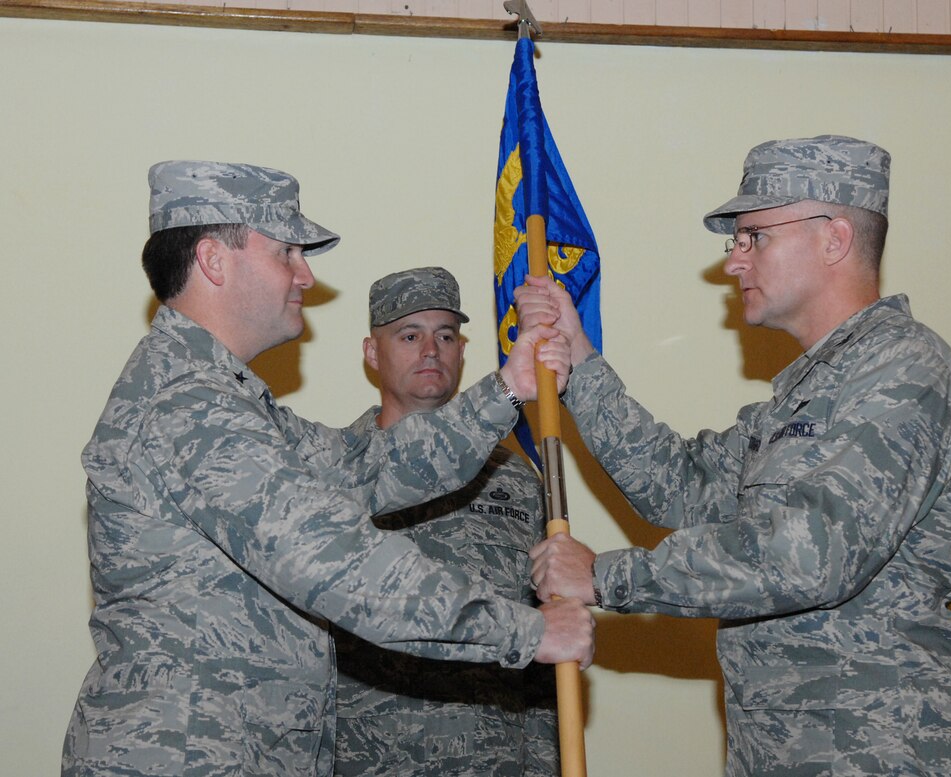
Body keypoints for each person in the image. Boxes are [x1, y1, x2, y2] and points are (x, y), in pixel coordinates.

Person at [63, 161, 593, 777]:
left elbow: (365, 467)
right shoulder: (187, 405)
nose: (305, 276)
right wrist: (527, 633)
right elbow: (336, 562)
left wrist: (505, 388)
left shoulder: (227, 398)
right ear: (214, 260)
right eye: (287, 252)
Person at [519, 136, 951, 776]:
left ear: (833, 239)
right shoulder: (804, 395)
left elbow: (811, 556)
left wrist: (606, 577)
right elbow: (680, 486)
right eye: (735, 241)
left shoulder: (906, 372)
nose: (733, 263)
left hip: (877, 749)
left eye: (754, 237)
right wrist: (580, 364)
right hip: (783, 752)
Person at [332, 266, 558, 777]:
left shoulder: (519, 481)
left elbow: (542, 634)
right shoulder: (338, 475)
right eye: (409, 335)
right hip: (368, 758)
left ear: (462, 351)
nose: (430, 350)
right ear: (372, 353)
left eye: (446, 335)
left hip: (495, 757)